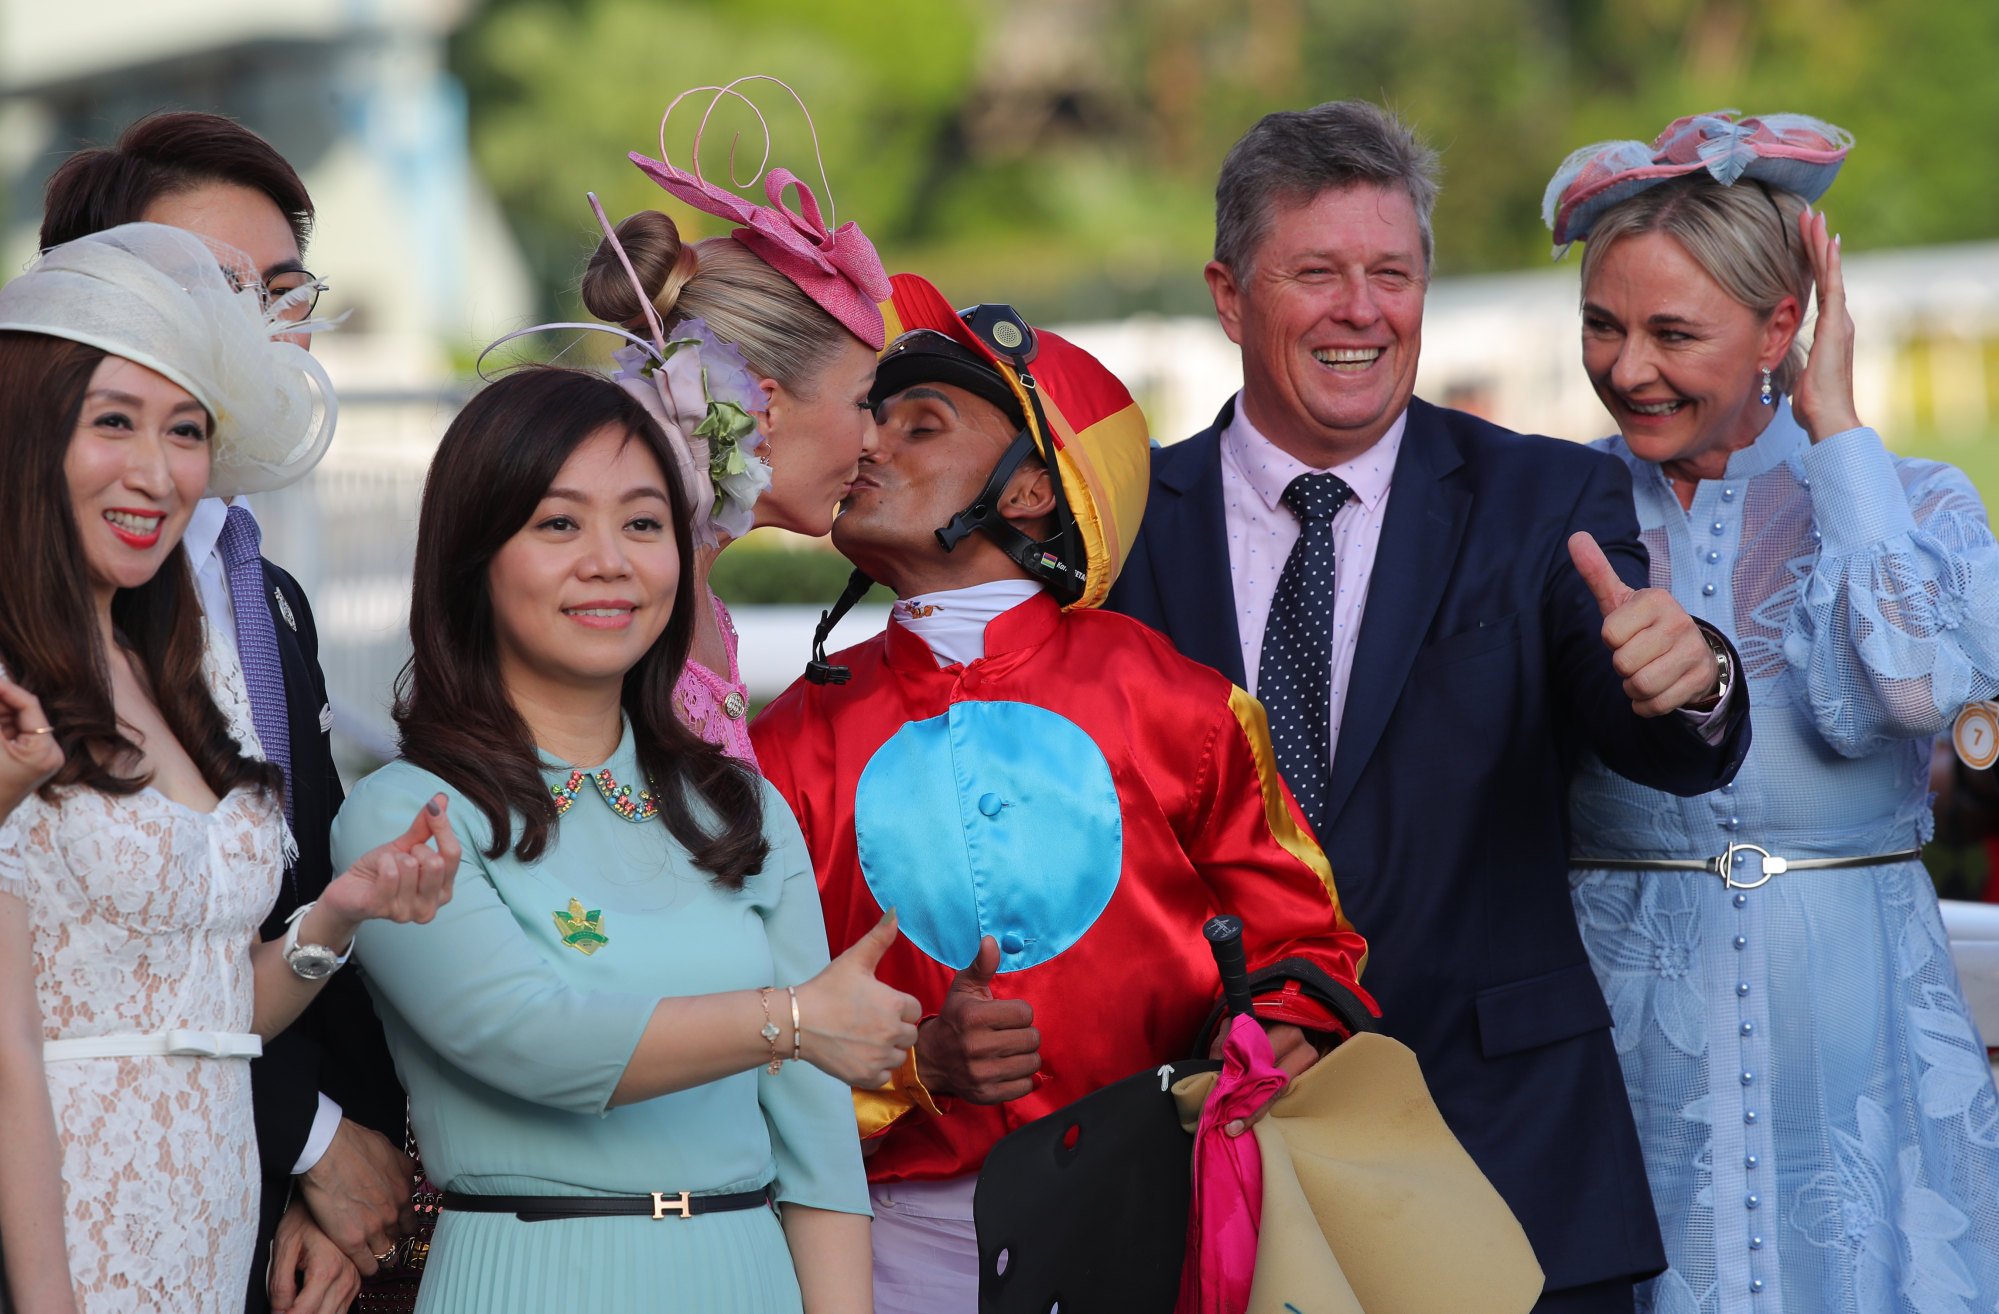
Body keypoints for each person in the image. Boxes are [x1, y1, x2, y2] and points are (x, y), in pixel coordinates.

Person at [1104, 101, 1752, 1312]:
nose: (1362, 310)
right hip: (1206, 1170)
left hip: (1508, 1165)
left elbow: (1649, 732)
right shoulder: (1127, 530)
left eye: (1391, 274)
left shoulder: (1543, 495)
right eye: (1317, 273)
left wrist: (1692, 679)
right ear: (1229, 294)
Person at [751, 272, 1377, 1314]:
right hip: (886, 1245)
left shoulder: (1183, 707)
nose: (868, 446)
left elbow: (1310, 951)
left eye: (919, 423)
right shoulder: (783, 744)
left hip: (1151, 1218)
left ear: (1031, 490)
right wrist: (915, 1071)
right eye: (870, 417)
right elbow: (746, 1031)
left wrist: (1266, 1032)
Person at [327, 366, 918, 1314]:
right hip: (530, 1279)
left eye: (643, 524)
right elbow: (533, 1043)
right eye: (557, 524)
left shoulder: (743, 811)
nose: (609, 560)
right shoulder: (410, 816)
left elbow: (818, 1156)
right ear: (472, 556)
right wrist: (793, 1019)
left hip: (749, 1278)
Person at [1546, 111, 1999, 1311]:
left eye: (1672, 332)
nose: (1627, 366)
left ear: (1780, 328)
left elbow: (1908, 691)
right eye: (1602, 325)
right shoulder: (1552, 507)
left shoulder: (1911, 502)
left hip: (1859, 1045)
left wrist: (1835, 425)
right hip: (1634, 1049)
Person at [0, 222, 458, 1314]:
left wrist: (339, 913)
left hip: (211, 1228)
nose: (156, 473)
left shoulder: (176, 657)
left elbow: (208, 1018)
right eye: (113, 423)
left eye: (188, 431)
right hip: (59, 1235)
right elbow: (13, 1063)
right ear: (25, 433)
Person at [578, 77, 887, 764]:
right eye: (864, 401)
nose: (874, 441)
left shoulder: (692, 600)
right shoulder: (616, 598)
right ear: (765, 406)